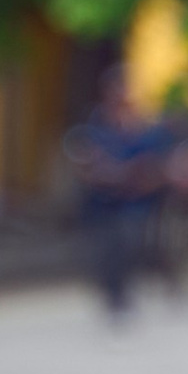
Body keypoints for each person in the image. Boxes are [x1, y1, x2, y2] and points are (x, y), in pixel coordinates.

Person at [68, 66, 174, 319]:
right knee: (106, 249)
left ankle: (123, 293)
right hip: (102, 201)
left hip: (134, 201)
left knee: (129, 244)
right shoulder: (95, 124)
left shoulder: (142, 126)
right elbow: (85, 159)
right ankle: (111, 294)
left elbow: (156, 158)